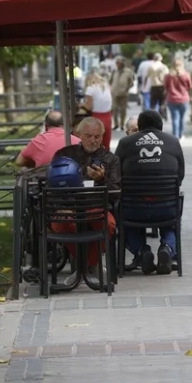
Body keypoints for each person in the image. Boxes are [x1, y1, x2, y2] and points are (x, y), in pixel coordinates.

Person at [115, 110, 185, 275]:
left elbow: (115, 175)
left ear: (139, 127)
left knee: (121, 216)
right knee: (172, 221)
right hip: (166, 207)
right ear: (161, 126)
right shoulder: (173, 142)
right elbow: (180, 176)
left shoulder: (125, 143)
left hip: (133, 209)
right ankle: (167, 248)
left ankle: (142, 252)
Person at [52, 117, 120, 284]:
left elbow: (115, 192)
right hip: (70, 207)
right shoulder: (65, 154)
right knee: (59, 224)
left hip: (96, 207)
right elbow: (52, 184)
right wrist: (60, 206)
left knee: (108, 225)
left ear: (103, 136)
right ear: (78, 134)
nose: (93, 140)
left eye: (97, 136)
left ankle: (82, 269)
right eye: (88, 136)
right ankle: (92, 265)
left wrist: (102, 179)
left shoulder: (111, 159)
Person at [15, 110, 81, 168]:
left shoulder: (37, 141)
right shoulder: (77, 141)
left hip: (45, 179)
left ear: (46, 125)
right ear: (65, 124)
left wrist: (34, 162)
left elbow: (19, 161)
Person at [83, 72, 113, 150]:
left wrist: (82, 105)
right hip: (108, 116)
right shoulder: (107, 87)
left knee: (96, 142)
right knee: (106, 141)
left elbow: (89, 107)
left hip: (97, 116)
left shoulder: (90, 88)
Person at [164, 57, 192, 139]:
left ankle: (175, 136)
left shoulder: (168, 76)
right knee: (182, 118)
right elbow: (190, 87)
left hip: (172, 99)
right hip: (184, 99)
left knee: (175, 118)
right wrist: (191, 97)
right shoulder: (186, 75)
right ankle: (181, 135)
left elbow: (166, 88)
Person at [110, 58, 135, 131]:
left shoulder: (128, 72)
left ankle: (122, 124)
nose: (117, 65)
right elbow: (110, 81)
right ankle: (116, 124)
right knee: (114, 108)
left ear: (122, 64)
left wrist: (126, 88)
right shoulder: (114, 71)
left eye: (119, 63)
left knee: (123, 109)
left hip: (124, 93)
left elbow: (131, 83)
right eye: (117, 63)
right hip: (115, 93)